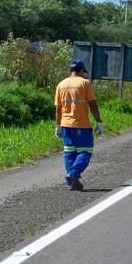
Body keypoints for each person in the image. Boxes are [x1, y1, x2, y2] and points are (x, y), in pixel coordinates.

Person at [55, 59, 104, 191]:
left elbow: (58, 109)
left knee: (70, 153)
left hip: (65, 125)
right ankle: (73, 174)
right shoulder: (85, 83)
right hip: (81, 125)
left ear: (70, 71)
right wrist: (99, 121)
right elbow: (92, 104)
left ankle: (73, 183)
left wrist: (58, 125)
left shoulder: (61, 84)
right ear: (81, 70)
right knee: (85, 151)